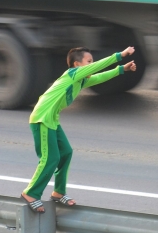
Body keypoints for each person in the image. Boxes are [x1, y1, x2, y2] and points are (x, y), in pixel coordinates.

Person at [20, 46, 137, 213]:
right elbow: (97, 68)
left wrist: (121, 69)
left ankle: (59, 192)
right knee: (50, 158)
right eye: (89, 62)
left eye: (92, 61)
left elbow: (100, 76)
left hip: (52, 119)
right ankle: (31, 193)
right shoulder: (72, 74)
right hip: (42, 118)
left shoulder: (80, 79)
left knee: (66, 152)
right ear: (77, 64)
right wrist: (120, 56)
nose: (92, 64)